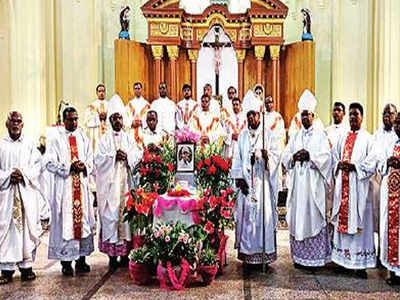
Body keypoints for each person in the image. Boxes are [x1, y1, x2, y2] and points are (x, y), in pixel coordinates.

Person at [281, 92, 332, 269]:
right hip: (298, 186)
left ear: (313, 116)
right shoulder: (295, 136)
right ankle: (300, 258)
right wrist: (294, 156)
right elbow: (285, 156)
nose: (304, 117)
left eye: (307, 114)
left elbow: (327, 157)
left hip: (313, 186)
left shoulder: (320, 135)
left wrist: (310, 156)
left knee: (312, 218)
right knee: (298, 218)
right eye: (302, 114)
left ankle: (315, 259)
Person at [46, 106, 95, 276]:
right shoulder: (56, 139)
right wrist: (69, 167)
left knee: (83, 222)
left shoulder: (83, 136)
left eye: (75, 118)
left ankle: (81, 259)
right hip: (65, 187)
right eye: (70, 119)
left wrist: (84, 166)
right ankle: (66, 262)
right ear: (63, 120)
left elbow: (91, 158)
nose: (73, 122)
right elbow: (49, 163)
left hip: (81, 185)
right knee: (65, 223)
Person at [95, 96, 141, 271]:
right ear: (110, 120)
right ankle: (112, 256)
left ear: (123, 119)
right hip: (110, 188)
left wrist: (128, 156)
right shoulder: (104, 140)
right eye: (114, 117)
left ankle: (124, 255)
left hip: (126, 186)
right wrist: (113, 157)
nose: (117, 121)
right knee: (110, 217)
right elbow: (98, 160)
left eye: (120, 117)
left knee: (126, 219)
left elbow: (137, 156)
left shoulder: (129, 138)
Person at [331, 103, 376, 279]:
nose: (352, 118)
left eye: (355, 114)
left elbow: (372, 161)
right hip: (343, 188)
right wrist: (338, 165)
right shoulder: (342, 136)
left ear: (362, 117)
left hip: (359, 191)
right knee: (343, 226)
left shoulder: (368, 138)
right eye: (350, 115)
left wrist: (355, 167)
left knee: (359, 226)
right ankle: (343, 261)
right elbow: (333, 156)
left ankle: (360, 265)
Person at [233, 107, 281, 270]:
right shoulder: (242, 136)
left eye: (253, 114)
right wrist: (240, 179)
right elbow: (237, 158)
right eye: (248, 115)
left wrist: (266, 155)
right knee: (247, 219)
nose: (251, 117)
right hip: (247, 186)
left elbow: (276, 156)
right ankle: (247, 255)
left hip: (262, 186)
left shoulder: (268, 134)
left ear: (259, 115)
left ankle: (264, 256)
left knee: (263, 218)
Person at [0, 111, 41, 284]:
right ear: (6, 124)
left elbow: (37, 166)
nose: (16, 124)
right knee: (7, 229)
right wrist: (8, 175)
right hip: (6, 194)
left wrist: (23, 175)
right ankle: (6, 269)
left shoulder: (30, 144)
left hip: (26, 193)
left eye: (19, 121)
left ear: (22, 125)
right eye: (12, 121)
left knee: (26, 229)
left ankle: (26, 266)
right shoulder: (1, 145)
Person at [376, 112, 400, 285]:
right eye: (397, 123)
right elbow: (380, 163)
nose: (398, 126)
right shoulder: (391, 143)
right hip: (389, 195)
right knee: (388, 229)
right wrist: (388, 162)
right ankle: (392, 270)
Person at [84, 84, 109, 153]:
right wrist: (98, 117)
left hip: (107, 132)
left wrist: (106, 117)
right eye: (99, 91)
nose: (101, 93)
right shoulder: (92, 106)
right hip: (96, 133)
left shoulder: (109, 105)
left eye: (103, 91)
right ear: (96, 93)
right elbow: (87, 121)